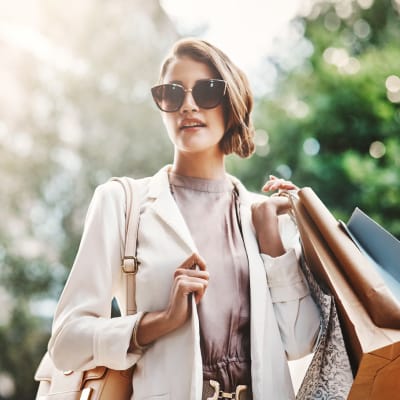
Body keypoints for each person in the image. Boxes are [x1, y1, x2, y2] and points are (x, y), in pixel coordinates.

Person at [48, 38, 321, 400]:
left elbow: (301, 342)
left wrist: (272, 241)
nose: (188, 105)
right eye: (172, 94)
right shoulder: (121, 203)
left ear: (230, 102)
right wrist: (157, 323)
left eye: (207, 91)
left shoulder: (263, 215)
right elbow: (66, 342)